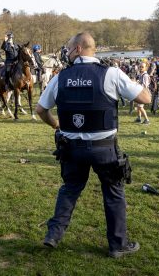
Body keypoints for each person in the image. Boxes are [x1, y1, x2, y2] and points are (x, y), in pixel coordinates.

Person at [36, 32, 150, 258]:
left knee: (69, 190)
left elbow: (41, 109)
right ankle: (117, 245)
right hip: (104, 148)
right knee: (114, 194)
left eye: (68, 49)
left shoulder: (61, 77)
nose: (66, 53)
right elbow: (145, 98)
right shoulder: (111, 73)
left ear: (78, 49)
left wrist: (55, 125)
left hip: (71, 148)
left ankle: (53, 235)